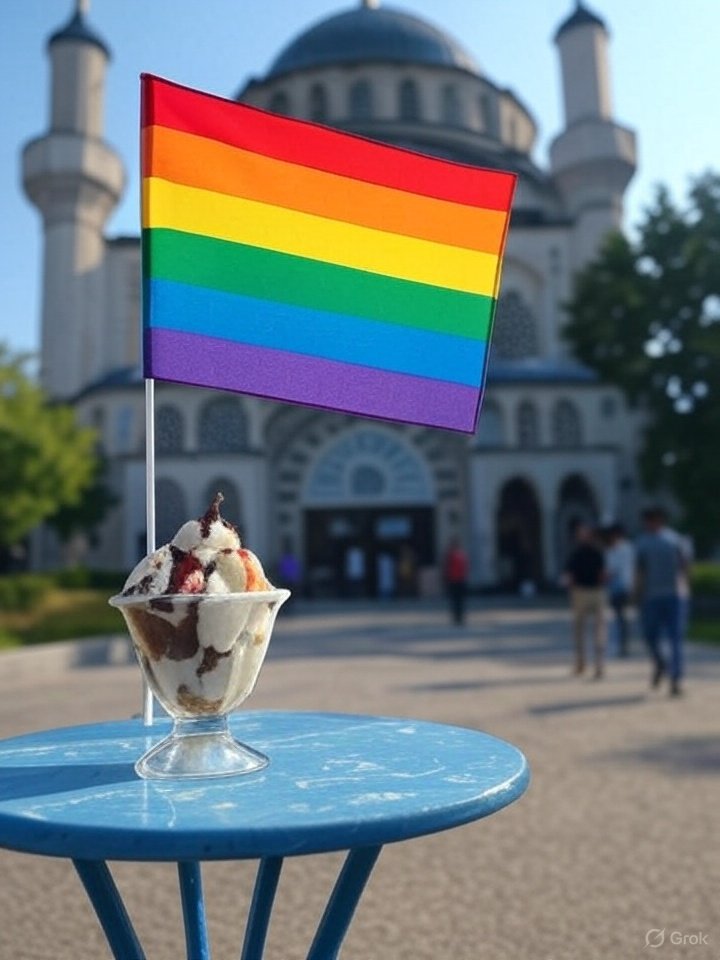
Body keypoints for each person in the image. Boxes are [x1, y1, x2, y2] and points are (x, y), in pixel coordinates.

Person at [635, 506, 689, 697]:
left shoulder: (674, 540)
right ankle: (660, 662)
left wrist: (684, 588)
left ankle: (675, 678)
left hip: (672, 595)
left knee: (675, 638)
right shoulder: (643, 543)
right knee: (650, 636)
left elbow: (684, 565)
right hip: (653, 596)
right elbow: (640, 571)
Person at [563, 522, 607, 678]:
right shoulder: (583, 553)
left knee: (596, 631)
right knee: (581, 631)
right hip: (586, 591)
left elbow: (569, 576)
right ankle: (582, 662)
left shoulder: (591, 553)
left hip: (591, 591)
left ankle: (597, 664)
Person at [604, 523, 635, 656]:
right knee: (619, 616)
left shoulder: (623, 549)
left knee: (620, 616)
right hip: (616, 586)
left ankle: (623, 644)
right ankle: (622, 644)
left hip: (622, 586)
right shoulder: (613, 550)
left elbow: (614, 569)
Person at [444, 538, 469, 626]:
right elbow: (466, 567)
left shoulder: (451, 555)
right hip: (461, 580)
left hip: (454, 580)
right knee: (460, 601)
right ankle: (460, 617)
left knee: (455, 601)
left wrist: (447, 579)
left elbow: (447, 568)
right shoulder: (462, 555)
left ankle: (457, 618)